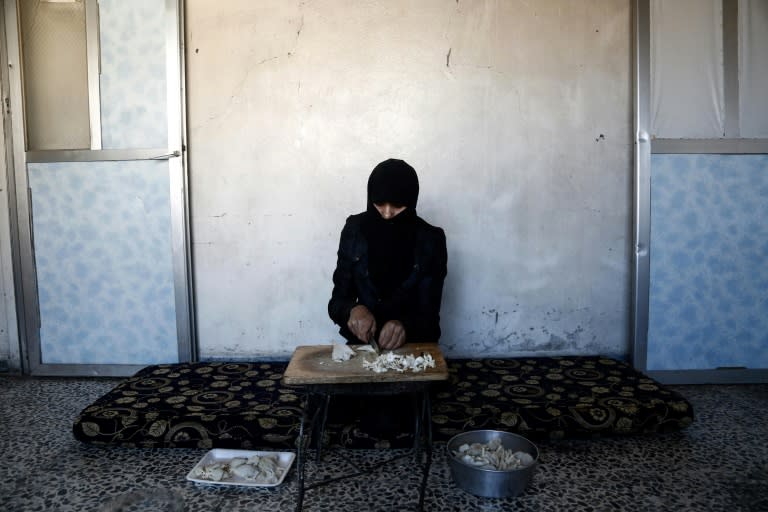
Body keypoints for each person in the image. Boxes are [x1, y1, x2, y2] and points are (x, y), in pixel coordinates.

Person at [328, 158, 447, 350]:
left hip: (415, 349)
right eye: (379, 204)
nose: (387, 213)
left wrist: (405, 326)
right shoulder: (354, 231)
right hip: (364, 348)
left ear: (411, 201)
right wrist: (352, 310)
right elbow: (336, 302)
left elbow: (430, 317)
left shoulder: (431, 240)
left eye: (398, 205)